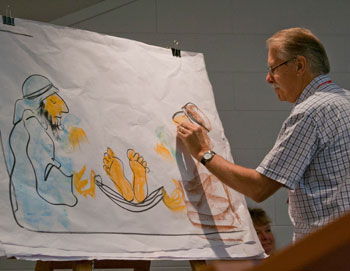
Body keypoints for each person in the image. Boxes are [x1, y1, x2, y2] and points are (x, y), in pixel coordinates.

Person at [176, 27, 350, 241]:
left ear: (300, 65)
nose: (268, 79)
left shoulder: (311, 112)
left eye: (273, 68)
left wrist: (203, 152)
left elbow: (259, 188)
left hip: (328, 248)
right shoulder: (344, 100)